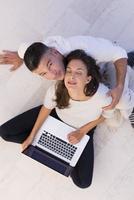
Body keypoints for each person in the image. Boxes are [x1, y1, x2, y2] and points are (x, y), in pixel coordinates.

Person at [21, 49, 134, 188]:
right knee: (6, 133)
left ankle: (124, 66)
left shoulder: (103, 96)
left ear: (88, 78)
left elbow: (105, 116)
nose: (72, 77)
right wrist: (32, 136)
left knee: (83, 183)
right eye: (69, 71)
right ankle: (50, 145)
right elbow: (47, 107)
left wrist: (82, 132)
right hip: (58, 118)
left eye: (78, 72)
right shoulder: (58, 88)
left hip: (83, 129)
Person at [0, 35, 130, 142]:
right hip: (80, 95)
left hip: (104, 71)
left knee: (121, 101)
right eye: (43, 74)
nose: (52, 75)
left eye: (50, 65)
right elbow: (27, 49)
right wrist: (19, 56)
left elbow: (119, 53)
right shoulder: (42, 55)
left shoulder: (83, 46)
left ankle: (130, 73)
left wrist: (119, 86)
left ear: (55, 52)